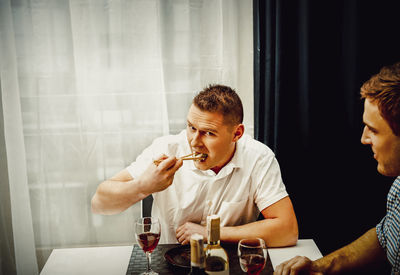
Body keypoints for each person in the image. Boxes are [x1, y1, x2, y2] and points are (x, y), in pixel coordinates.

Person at [91, 84, 298, 246]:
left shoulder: (258, 158)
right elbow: (99, 204)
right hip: (167, 264)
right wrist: (143, 186)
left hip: (228, 264)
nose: (194, 142)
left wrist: (210, 232)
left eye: (208, 133)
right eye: (191, 127)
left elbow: (287, 230)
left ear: (237, 133)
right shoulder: (166, 148)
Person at [274, 62, 400, 275]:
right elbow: (383, 237)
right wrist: (319, 266)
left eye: (374, 130)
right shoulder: (398, 186)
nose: (363, 139)